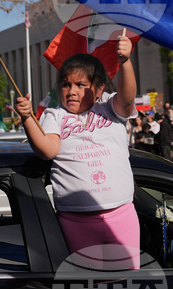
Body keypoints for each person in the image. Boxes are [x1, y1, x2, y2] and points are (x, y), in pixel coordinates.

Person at [15, 34, 139, 265]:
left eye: (81, 85)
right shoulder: (55, 115)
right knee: (87, 285)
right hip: (74, 220)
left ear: (99, 89)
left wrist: (125, 62)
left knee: (124, 283)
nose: (71, 91)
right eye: (66, 84)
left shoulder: (110, 107)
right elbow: (48, 150)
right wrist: (27, 118)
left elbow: (128, 97)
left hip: (121, 214)